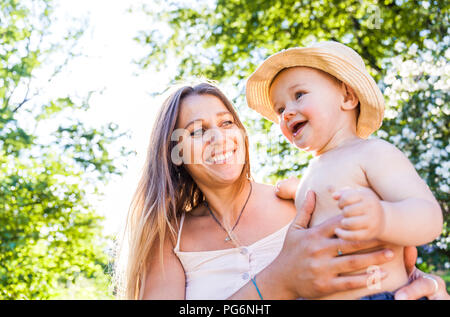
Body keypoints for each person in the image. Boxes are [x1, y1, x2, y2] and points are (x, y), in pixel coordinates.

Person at [113, 81, 449, 300]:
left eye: (227, 123)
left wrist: (427, 285)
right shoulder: (170, 237)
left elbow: (382, 266)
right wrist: (274, 283)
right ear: (175, 153)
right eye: (198, 131)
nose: (219, 138)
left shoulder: (301, 200)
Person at [245, 41, 443, 300]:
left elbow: (429, 217)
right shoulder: (314, 171)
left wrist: (383, 219)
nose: (287, 113)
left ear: (348, 97)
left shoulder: (372, 152)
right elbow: (325, 204)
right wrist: (296, 191)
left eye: (299, 94)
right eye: (280, 109)